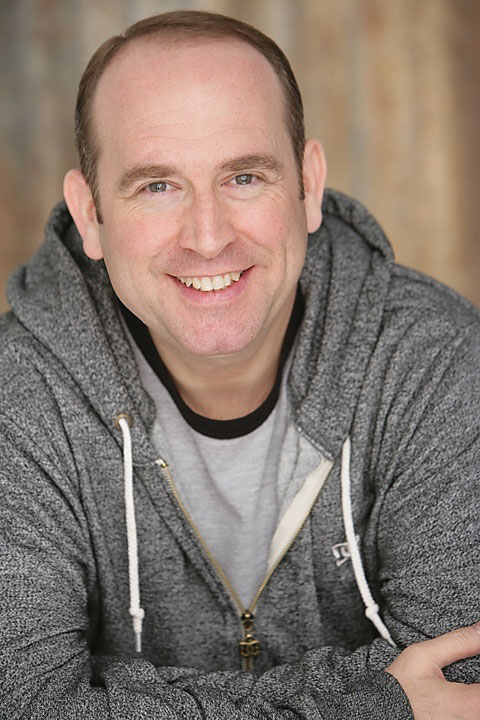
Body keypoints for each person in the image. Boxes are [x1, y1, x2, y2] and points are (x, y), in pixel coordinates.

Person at [0, 10, 479, 719]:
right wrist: (381, 703)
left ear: (308, 185)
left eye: (245, 177)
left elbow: (463, 680)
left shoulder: (436, 364)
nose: (208, 236)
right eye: (157, 186)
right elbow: (26, 704)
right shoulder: (17, 399)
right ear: (90, 213)